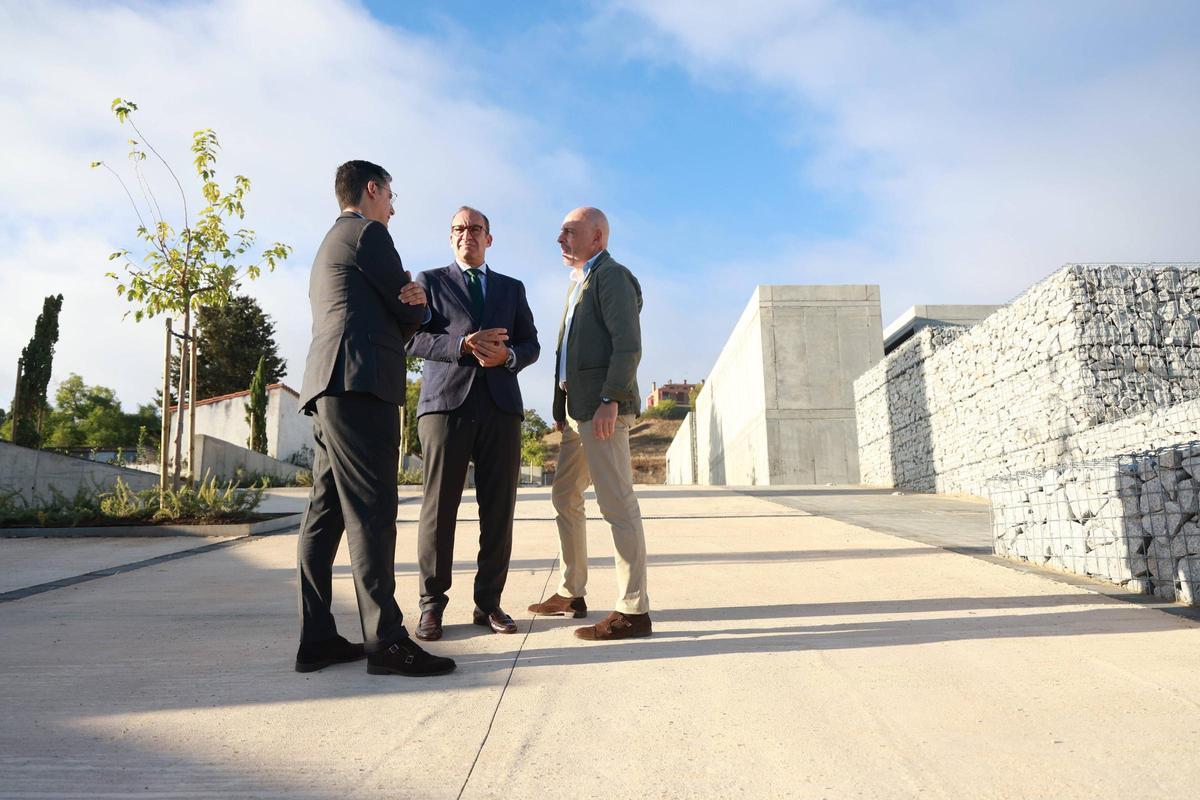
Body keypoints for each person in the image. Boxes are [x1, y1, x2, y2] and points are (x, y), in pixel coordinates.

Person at [294, 160, 455, 677]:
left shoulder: (328, 244)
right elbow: (409, 311)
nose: (393, 205)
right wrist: (419, 301)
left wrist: (407, 303)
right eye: (390, 194)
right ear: (371, 189)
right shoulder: (370, 234)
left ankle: (317, 639)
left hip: (328, 385)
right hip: (360, 384)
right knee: (371, 511)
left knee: (326, 515)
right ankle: (385, 641)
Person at [406, 206, 540, 640]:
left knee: (498, 512)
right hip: (446, 405)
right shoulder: (428, 282)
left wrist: (510, 357)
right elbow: (413, 338)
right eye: (459, 229)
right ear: (451, 238)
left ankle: (489, 604)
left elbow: (531, 343)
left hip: (501, 407)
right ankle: (431, 605)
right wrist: (461, 345)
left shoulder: (512, 288)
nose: (468, 235)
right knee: (438, 510)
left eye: (476, 229)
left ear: (489, 238)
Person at [528, 207, 652, 640]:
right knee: (564, 495)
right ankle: (571, 591)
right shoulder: (579, 282)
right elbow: (568, 353)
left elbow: (627, 346)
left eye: (569, 232)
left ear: (597, 237)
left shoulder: (612, 276)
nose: (560, 239)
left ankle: (633, 611)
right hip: (578, 413)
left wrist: (609, 399)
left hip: (602, 411)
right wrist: (560, 408)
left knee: (617, 505)